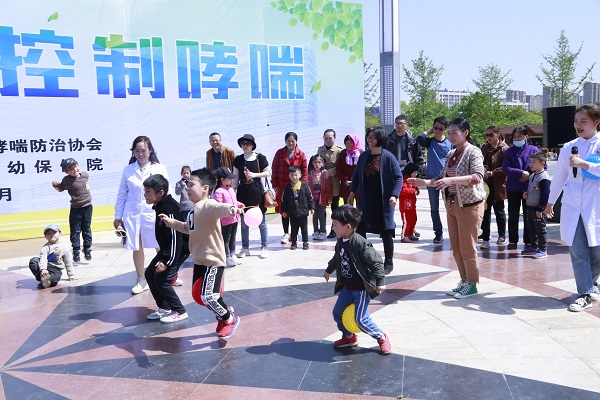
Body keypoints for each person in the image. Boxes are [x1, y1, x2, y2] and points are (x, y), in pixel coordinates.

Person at [160, 168, 244, 338]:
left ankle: (229, 318)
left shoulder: (208, 205)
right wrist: (171, 222)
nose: (187, 188)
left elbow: (221, 208)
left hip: (213, 261)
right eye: (187, 185)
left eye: (191, 185)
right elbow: (187, 228)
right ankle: (223, 313)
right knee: (200, 296)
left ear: (205, 188)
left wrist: (232, 208)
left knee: (208, 296)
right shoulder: (193, 210)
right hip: (199, 261)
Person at [409, 118, 485, 299]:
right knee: (456, 248)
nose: (451, 136)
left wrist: (452, 180)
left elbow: (477, 177)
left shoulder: (473, 151)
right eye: (449, 133)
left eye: (454, 133)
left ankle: (472, 283)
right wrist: (425, 182)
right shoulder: (451, 153)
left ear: (465, 133)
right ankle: (464, 280)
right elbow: (441, 177)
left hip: (469, 205)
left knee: (468, 248)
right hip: (452, 204)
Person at [545, 104, 600, 312]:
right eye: (576, 121)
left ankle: (592, 283)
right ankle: (584, 293)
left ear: (596, 122)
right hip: (573, 206)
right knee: (578, 251)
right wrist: (550, 202)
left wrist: (584, 164)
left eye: (583, 121)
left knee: (597, 251)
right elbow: (559, 177)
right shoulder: (568, 147)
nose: (578, 125)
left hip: (596, 206)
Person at [323, 205, 392, 355]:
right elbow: (337, 257)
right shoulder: (341, 241)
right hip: (348, 288)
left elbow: (376, 261)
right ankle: (349, 337)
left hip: (360, 289)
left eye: (335, 224)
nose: (333, 228)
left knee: (360, 319)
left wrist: (380, 281)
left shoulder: (360, 243)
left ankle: (381, 336)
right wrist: (329, 269)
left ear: (347, 227)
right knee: (337, 313)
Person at [114, 136, 179, 295]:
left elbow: (168, 191)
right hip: (133, 213)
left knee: (160, 244)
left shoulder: (159, 168)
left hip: (154, 212)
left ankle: (169, 275)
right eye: (137, 151)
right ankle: (141, 279)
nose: (140, 154)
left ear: (150, 150)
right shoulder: (128, 170)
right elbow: (122, 194)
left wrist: (172, 211)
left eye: (143, 150)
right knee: (137, 246)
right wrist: (118, 217)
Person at [348, 126, 402, 276]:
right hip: (366, 200)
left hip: (383, 201)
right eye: (368, 137)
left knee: (386, 231)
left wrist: (394, 195)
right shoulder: (364, 156)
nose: (369, 139)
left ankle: (388, 262)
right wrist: (352, 191)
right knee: (360, 229)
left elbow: (398, 177)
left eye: (373, 137)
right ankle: (365, 259)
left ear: (380, 138)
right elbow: (356, 175)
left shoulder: (389, 157)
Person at [143, 174, 190, 323]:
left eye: (148, 191)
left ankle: (180, 311)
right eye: (145, 191)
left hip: (178, 250)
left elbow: (176, 237)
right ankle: (165, 308)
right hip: (168, 250)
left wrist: (166, 261)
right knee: (150, 274)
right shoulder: (160, 206)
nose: (145, 195)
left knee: (162, 280)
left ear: (160, 193)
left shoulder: (168, 207)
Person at [232, 134, 271, 259]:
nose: (245, 146)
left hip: (257, 193)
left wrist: (254, 175)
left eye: (248, 144)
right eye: (243, 144)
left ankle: (264, 247)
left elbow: (268, 172)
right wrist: (232, 192)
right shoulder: (238, 160)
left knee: (261, 222)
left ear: (253, 145)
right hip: (243, 193)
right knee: (244, 223)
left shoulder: (260, 157)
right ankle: (245, 248)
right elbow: (235, 177)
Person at [502, 126, 540, 250]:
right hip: (513, 188)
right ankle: (513, 240)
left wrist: (529, 174)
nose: (517, 139)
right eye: (515, 137)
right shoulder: (509, 151)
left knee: (529, 215)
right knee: (513, 215)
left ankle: (529, 240)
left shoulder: (534, 150)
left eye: (520, 136)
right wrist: (521, 173)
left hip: (530, 187)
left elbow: (542, 166)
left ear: (526, 137)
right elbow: (506, 168)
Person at [416, 117, 452, 244]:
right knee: (434, 208)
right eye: (435, 128)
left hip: (447, 179)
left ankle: (453, 232)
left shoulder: (450, 143)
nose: (437, 131)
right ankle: (438, 233)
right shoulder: (429, 142)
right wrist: (429, 131)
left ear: (445, 129)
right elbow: (419, 138)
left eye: (441, 129)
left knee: (451, 208)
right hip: (431, 180)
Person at [52, 158, 93, 262]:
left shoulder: (85, 175)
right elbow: (61, 188)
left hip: (88, 207)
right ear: (66, 172)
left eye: (76, 167)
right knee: (75, 230)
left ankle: (87, 249)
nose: (75, 170)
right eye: (71, 169)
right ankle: (76, 250)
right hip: (76, 208)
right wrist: (55, 185)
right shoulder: (67, 180)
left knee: (86, 229)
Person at [271, 132, 308, 244]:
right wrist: (275, 185)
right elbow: (274, 169)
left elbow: (304, 171)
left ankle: (295, 234)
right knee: (284, 209)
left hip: (297, 187)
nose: (290, 143)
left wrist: (303, 186)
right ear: (285, 141)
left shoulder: (301, 154)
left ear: (296, 141)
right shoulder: (279, 153)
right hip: (282, 186)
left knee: (296, 210)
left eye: (293, 141)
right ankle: (286, 233)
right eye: (288, 141)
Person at [479, 126, 509, 249]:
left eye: (491, 134)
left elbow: (506, 167)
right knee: (485, 210)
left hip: (498, 184)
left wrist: (492, 173)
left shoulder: (505, 149)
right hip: (485, 184)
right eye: (487, 135)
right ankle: (485, 236)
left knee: (499, 210)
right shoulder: (484, 148)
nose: (488, 137)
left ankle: (502, 235)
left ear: (498, 134)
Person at [213, 167, 245, 267]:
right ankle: (227, 257)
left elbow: (234, 202)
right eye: (229, 178)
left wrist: (239, 205)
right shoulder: (218, 191)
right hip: (226, 220)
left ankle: (233, 254)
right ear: (222, 179)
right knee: (226, 239)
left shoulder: (231, 189)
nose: (231, 180)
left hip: (235, 218)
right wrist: (231, 210)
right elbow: (219, 206)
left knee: (233, 238)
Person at [522, 152, 550, 259]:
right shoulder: (533, 176)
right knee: (531, 228)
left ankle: (542, 249)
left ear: (542, 163)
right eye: (531, 162)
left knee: (540, 229)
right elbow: (531, 188)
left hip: (538, 208)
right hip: (530, 206)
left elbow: (545, 195)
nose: (531, 164)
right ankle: (534, 246)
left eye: (534, 162)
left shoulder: (544, 177)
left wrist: (540, 209)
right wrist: (525, 194)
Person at [317, 129, 343, 238]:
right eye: (326, 138)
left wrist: (330, 172)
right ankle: (322, 229)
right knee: (322, 206)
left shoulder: (339, 151)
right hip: (322, 182)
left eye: (330, 138)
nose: (328, 140)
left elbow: (340, 166)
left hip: (334, 182)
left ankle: (334, 229)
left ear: (334, 138)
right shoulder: (320, 150)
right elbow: (317, 163)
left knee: (334, 207)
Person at [281, 165, 315, 250]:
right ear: (289, 176)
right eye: (292, 175)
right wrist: (284, 210)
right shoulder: (287, 187)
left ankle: (305, 242)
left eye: (296, 175)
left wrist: (311, 208)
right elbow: (284, 200)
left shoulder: (305, 185)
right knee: (294, 229)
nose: (294, 177)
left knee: (304, 229)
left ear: (300, 175)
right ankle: (294, 243)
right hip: (292, 212)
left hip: (303, 211)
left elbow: (309, 197)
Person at [308, 154, 332, 240]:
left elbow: (329, 186)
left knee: (321, 215)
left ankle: (323, 231)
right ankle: (315, 231)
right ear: (312, 163)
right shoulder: (310, 174)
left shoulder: (325, 173)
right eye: (315, 162)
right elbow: (308, 186)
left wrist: (329, 197)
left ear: (323, 163)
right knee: (314, 215)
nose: (317, 164)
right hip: (313, 198)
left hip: (322, 198)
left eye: (319, 162)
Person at [336, 133, 363, 207]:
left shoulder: (361, 153)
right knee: (347, 207)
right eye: (347, 143)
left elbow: (363, 170)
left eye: (351, 142)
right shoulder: (343, 153)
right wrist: (345, 180)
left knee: (360, 208)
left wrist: (357, 181)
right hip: (346, 185)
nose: (349, 145)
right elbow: (338, 169)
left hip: (359, 185)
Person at [399, 163, 420, 243]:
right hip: (405, 207)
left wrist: (417, 191)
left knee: (413, 220)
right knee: (406, 222)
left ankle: (410, 233)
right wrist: (413, 191)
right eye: (414, 172)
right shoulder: (404, 180)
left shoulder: (412, 181)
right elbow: (403, 190)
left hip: (412, 206)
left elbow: (415, 188)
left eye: (416, 172)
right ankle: (404, 236)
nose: (416, 174)